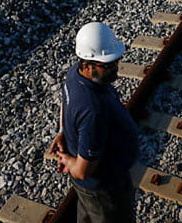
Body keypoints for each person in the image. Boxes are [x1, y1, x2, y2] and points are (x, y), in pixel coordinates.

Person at [49, 22, 139, 223]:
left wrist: (63, 130)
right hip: (105, 187)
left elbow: (65, 101)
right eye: (107, 65)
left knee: (88, 216)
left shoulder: (74, 74)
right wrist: (68, 161)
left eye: (116, 61)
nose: (115, 68)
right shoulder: (93, 111)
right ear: (87, 65)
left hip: (91, 188)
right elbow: (82, 170)